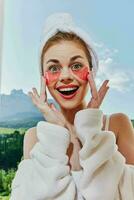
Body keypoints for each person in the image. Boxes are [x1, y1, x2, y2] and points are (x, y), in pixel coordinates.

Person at [10, 12, 134, 200]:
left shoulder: (117, 125)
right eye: (54, 68)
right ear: (43, 77)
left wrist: (90, 129)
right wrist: (56, 132)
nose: (65, 76)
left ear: (91, 72)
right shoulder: (34, 137)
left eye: (76, 65)